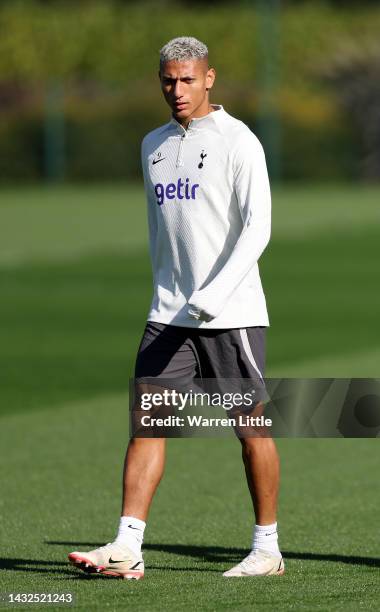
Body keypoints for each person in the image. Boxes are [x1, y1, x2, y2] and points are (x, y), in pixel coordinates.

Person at [68, 36, 283, 580]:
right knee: (147, 426)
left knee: (250, 428)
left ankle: (267, 548)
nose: (177, 89)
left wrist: (216, 292)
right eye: (168, 79)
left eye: (188, 79)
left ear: (210, 78)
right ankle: (127, 546)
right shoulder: (153, 145)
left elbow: (259, 226)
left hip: (230, 315)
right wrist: (170, 292)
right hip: (168, 315)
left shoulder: (240, 141)